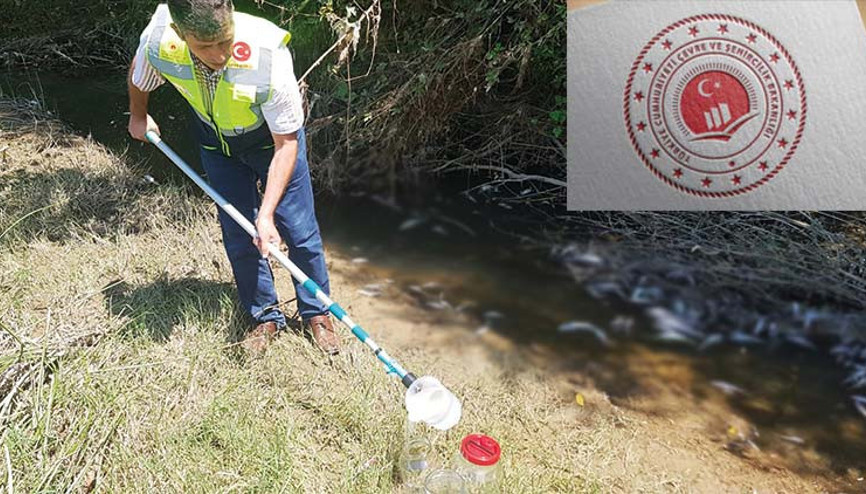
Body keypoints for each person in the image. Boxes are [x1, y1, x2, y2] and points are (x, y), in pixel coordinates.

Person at [127, 0, 340, 355]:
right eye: (205, 46)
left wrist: (266, 214)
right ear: (180, 34)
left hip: (271, 144)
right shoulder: (161, 40)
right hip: (216, 145)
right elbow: (140, 70)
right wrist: (138, 115)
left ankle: (317, 313)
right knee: (239, 231)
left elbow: (287, 144)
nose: (219, 54)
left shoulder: (267, 56)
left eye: (225, 41)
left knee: (298, 230)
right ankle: (264, 315)